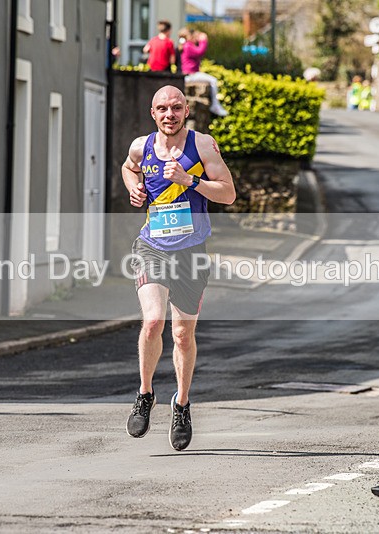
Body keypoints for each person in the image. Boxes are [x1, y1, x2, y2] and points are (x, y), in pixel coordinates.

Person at [121, 85, 235, 451]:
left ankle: (182, 403)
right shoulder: (141, 146)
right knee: (153, 321)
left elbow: (228, 193)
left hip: (191, 251)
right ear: (152, 113)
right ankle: (144, 393)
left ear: (186, 111)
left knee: (183, 335)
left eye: (175, 107)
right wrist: (134, 188)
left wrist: (191, 181)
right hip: (152, 246)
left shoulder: (202, 146)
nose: (169, 114)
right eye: (161, 109)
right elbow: (128, 168)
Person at [177, 27, 228, 117]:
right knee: (213, 80)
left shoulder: (186, 45)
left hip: (190, 74)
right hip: (191, 75)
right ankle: (215, 105)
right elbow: (200, 52)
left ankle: (215, 105)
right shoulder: (188, 45)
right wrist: (203, 41)